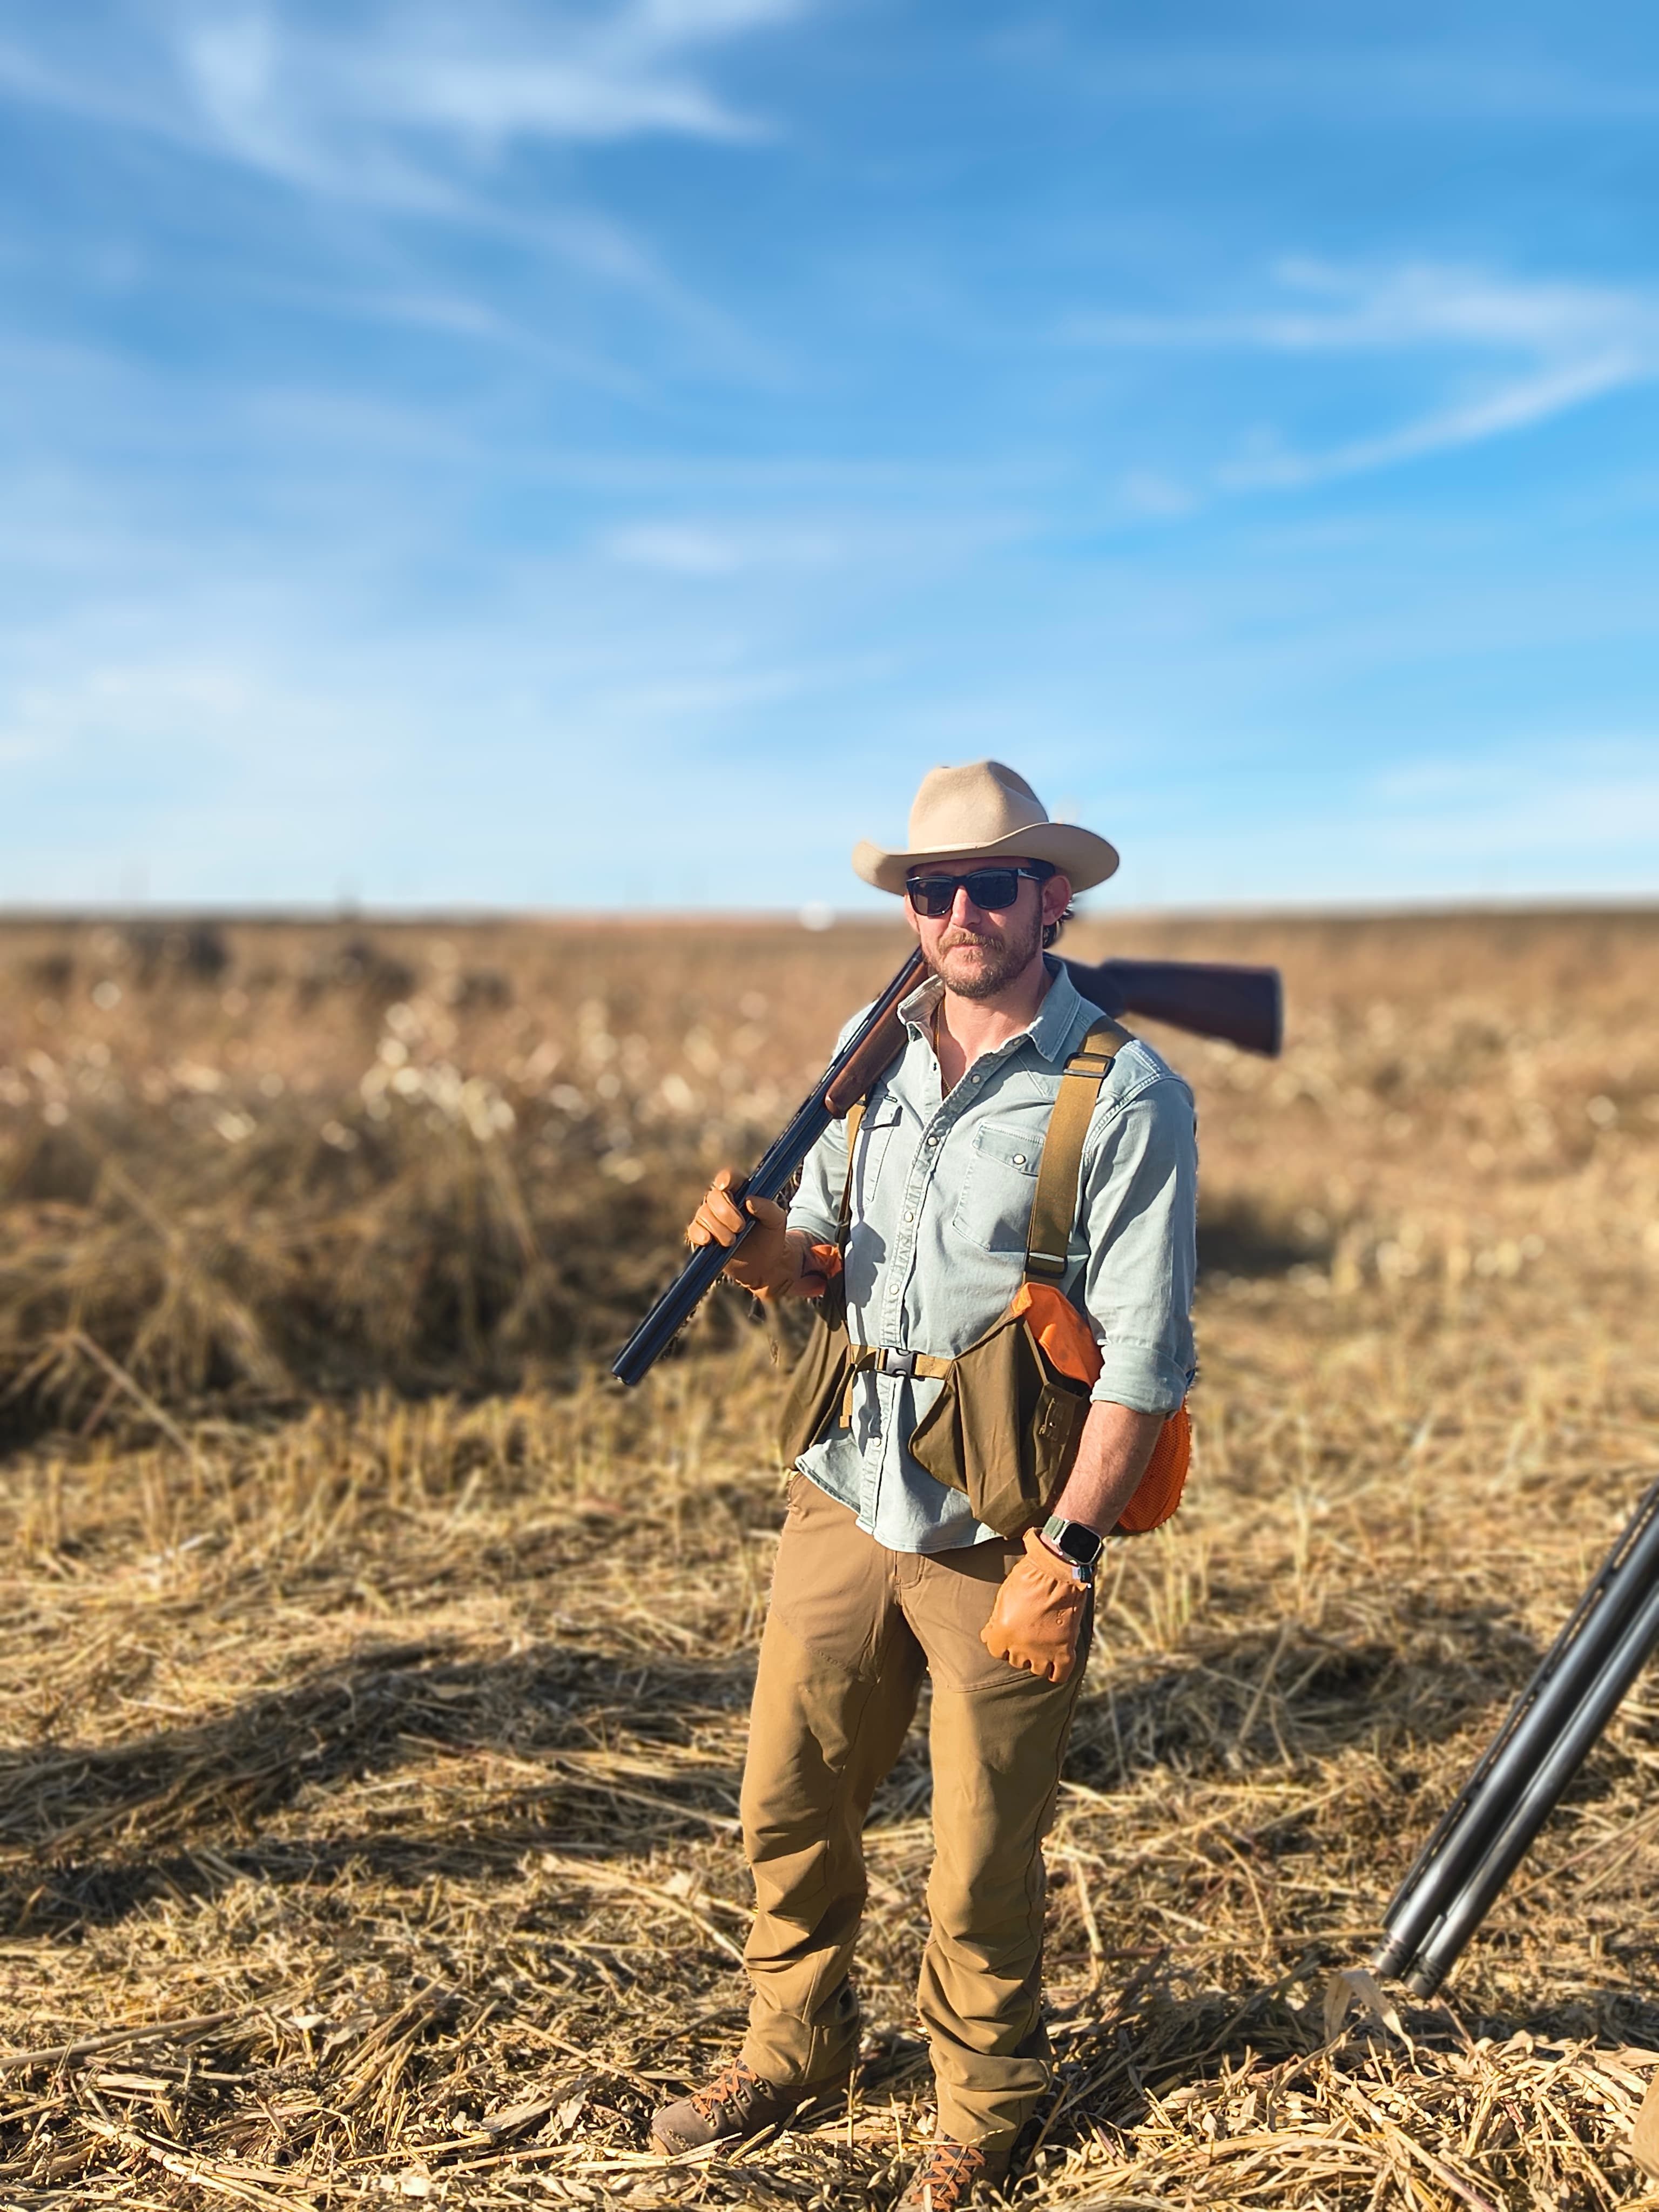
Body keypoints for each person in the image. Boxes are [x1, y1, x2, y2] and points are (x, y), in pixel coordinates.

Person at [651, 760, 1198, 2209]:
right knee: (788, 1797)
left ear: (1051, 900)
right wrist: (765, 1257)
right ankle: (792, 2052)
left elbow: (1143, 1362)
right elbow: (823, 1257)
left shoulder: (1127, 1094)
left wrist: (1067, 1551)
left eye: (989, 885)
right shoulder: (872, 1050)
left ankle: (985, 2109)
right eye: (931, 888)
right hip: (844, 1483)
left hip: (1004, 1517)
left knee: (978, 1856)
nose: (957, 911)